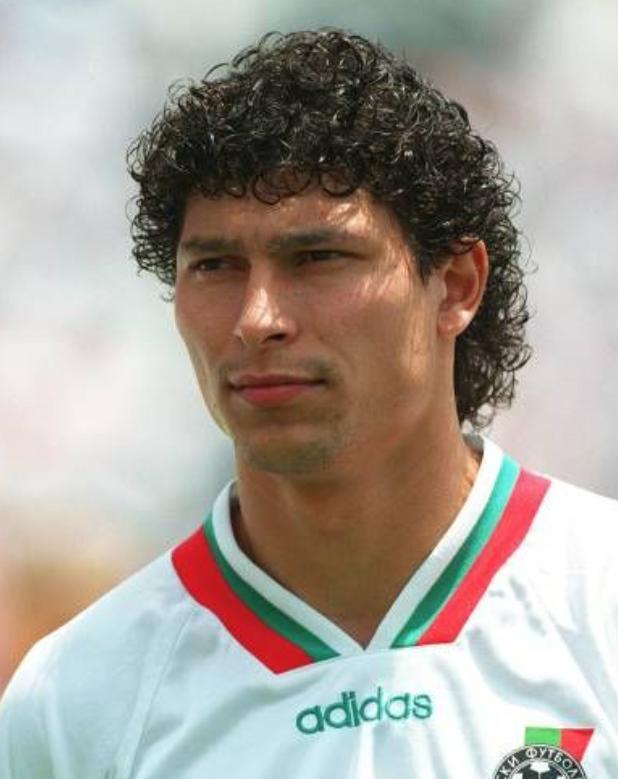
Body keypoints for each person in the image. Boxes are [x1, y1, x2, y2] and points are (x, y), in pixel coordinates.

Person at [0, 28, 616, 779]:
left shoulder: (600, 602)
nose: (257, 318)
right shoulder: (74, 702)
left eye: (318, 257)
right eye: (215, 265)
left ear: (456, 285)